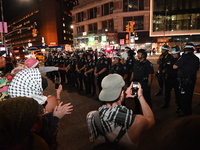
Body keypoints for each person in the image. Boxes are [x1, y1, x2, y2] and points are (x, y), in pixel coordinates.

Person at [87, 74, 155, 150]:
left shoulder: (91, 116)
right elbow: (150, 119)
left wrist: (122, 96)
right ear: (122, 93)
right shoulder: (137, 121)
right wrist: (140, 96)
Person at [173, 43, 199, 117]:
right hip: (192, 80)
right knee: (189, 97)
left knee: (183, 98)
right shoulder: (196, 58)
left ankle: (185, 114)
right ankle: (188, 112)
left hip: (185, 81)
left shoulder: (184, 57)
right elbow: (196, 70)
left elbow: (175, 66)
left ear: (185, 50)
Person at [161, 45, 181, 112]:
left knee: (178, 94)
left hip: (176, 79)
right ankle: (166, 103)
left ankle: (179, 106)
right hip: (169, 78)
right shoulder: (169, 58)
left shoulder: (180, 60)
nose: (173, 55)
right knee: (167, 92)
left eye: (174, 54)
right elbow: (166, 66)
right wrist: (165, 70)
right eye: (173, 54)